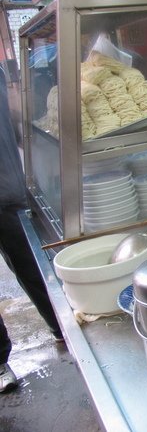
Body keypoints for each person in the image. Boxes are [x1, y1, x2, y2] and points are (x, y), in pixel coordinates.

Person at [0, 67, 63, 393]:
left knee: (34, 266)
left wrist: (40, 121)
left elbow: (11, 119)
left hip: (9, 192)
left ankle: (60, 326)